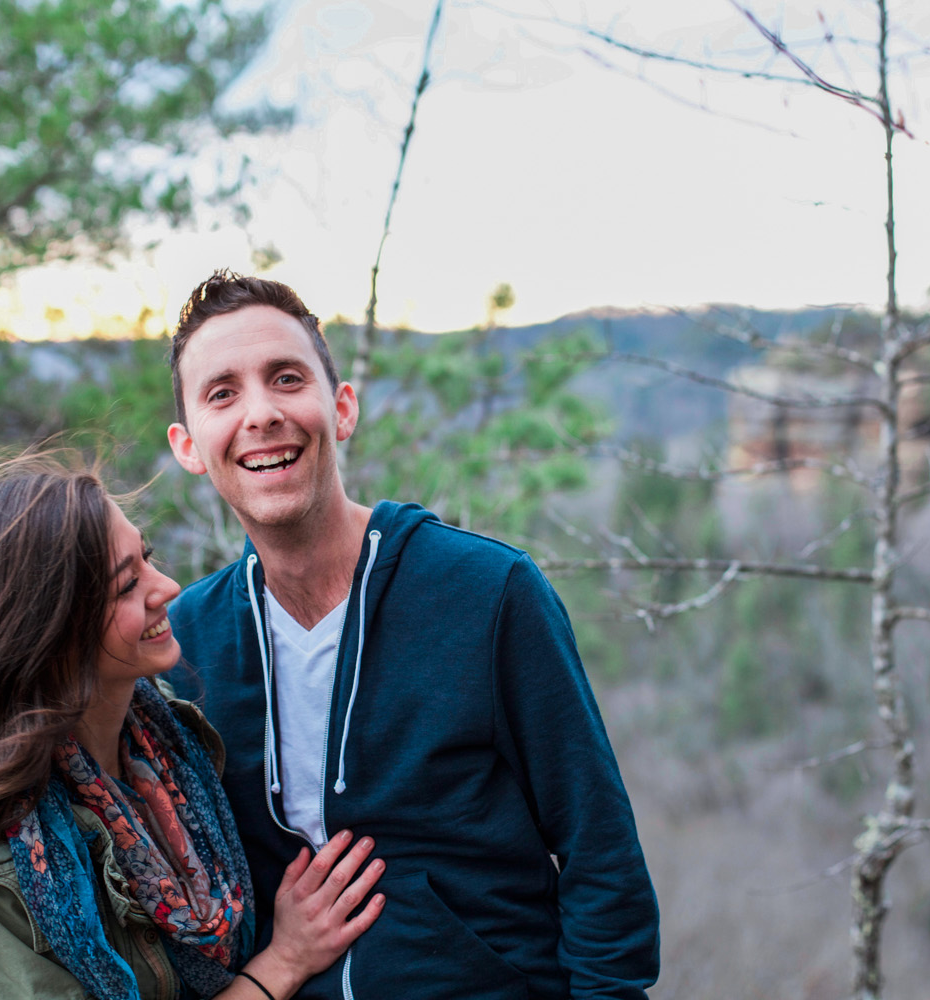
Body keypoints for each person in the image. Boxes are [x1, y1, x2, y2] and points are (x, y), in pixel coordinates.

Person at [163, 271, 660, 999]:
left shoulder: (488, 594)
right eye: (222, 393)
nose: (262, 413)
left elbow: (600, 855)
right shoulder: (187, 646)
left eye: (286, 378)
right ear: (189, 446)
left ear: (342, 408)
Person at [0, 452, 386, 1000]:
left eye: (148, 559)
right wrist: (283, 963)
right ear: (44, 633)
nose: (168, 588)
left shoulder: (171, 743)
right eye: (125, 586)